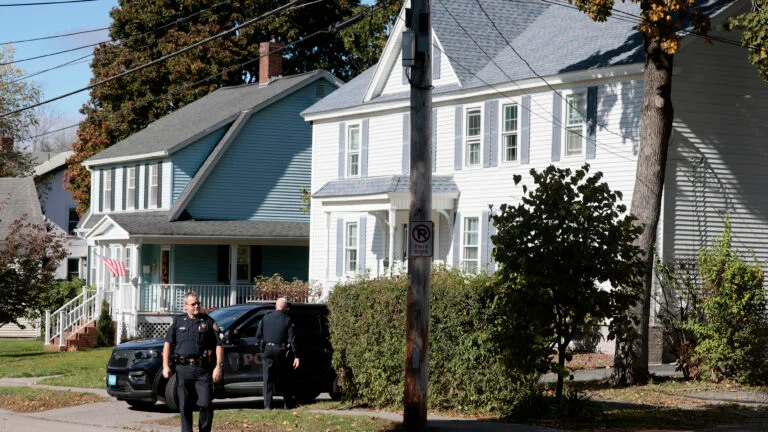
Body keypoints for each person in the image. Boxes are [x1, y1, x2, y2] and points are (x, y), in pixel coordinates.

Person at [162, 292, 224, 432]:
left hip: (202, 370)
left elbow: (219, 345)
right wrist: (165, 365)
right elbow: (167, 344)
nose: (197, 306)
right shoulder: (177, 322)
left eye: (198, 303)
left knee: (205, 403)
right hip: (183, 370)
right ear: (186, 306)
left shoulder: (208, 322)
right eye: (193, 304)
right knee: (184, 405)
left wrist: (218, 366)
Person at [256, 297, 300, 409]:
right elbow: (292, 339)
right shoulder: (287, 319)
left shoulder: (265, 317)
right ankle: (287, 403)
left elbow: (258, 336)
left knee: (267, 378)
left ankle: (267, 405)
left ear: (276, 306)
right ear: (285, 308)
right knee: (283, 377)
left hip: (267, 350)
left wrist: (262, 349)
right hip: (280, 351)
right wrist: (296, 356)